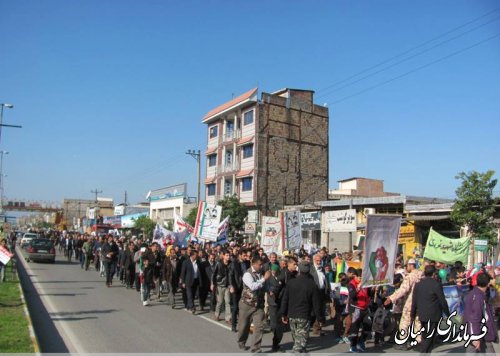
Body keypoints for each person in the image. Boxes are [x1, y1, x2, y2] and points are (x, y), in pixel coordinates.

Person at [383, 258, 424, 350]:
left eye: (407, 266)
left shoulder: (409, 277)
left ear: (410, 265)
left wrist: (391, 298)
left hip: (410, 303)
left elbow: (403, 290)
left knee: (405, 322)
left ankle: (402, 342)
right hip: (420, 302)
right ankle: (418, 341)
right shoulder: (421, 274)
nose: (406, 268)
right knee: (418, 322)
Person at [280, 261, 320, 353]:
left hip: (292, 314)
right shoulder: (311, 284)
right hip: (303, 315)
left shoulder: (291, 283)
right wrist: (319, 317)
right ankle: (298, 351)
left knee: (297, 338)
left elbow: (285, 299)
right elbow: (316, 303)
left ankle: (301, 349)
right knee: (299, 340)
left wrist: (283, 313)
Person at [411, 265, 450, 353]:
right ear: (434, 274)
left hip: (422, 314)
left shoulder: (418, 284)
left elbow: (414, 301)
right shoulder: (436, 285)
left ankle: (426, 352)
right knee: (429, 338)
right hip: (433, 315)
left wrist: (412, 314)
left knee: (426, 336)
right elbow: (442, 301)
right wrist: (448, 314)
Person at [237, 256, 271, 353]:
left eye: (262, 265)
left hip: (258, 305)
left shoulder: (262, 273)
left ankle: (256, 348)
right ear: (254, 264)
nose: (261, 266)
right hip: (247, 305)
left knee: (259, 327)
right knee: (244, 326)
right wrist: (264, 279)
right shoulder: (247, 274)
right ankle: (241, 341)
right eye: (260, 265)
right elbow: (252, 286)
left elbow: (264, 286)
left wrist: (269, 290)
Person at [463, 272, 498, 353]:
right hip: (478, 332)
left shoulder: (476, 293)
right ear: (488, 283)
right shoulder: (479, 297)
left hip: (479, 332)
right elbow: (474, 317)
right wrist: (475, 337)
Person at [266, 263, 284, 352]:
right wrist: (270, 291)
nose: (274, 272)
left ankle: (276, 333)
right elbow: (267, 286)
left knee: (278, 320)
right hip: (272, 301)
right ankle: (274, 331)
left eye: (275, 271)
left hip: (279, 301)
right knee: (273, 319)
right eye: (273, 270)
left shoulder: (280, 277)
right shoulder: (269, 277)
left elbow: (283, 286)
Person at [212, 250, 231, 323]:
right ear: (223, 256)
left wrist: (231, 285)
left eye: (229, 255)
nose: (228, 257)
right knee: (220, 302)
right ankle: (217, 315)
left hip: (227, 286)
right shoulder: (218, 264)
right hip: (219, 285)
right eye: (227, 255)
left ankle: (228, 318)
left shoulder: (230, 264)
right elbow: (214, 274)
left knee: (228, 302)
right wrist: (212, 283)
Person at [228, 249, 245, 332]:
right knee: (235, 307)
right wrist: (231, 286)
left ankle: (243, 325)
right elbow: (230, 275)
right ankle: (234, 325)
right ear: (240, 255)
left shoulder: (246, 263)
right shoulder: (234, 264)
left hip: (244, 288)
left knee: (243, 308)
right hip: (236, 287)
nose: (246, 257)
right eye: (244, 255)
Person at [180, 250, 200, 314]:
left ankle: (189, 305)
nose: (196, 256)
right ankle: (192, 307)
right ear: (192, 255)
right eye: (195, 255)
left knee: (193, 295)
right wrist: (183, 282)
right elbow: (183, 272)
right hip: (188, 281)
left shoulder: (198, 262)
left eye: (196, 255)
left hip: (195, 280)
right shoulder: (186, 262)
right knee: (189, 295)